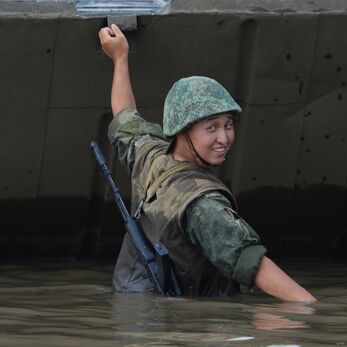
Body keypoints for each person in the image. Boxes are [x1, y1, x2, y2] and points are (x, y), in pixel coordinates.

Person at [98, 24, 316, 302]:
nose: (224, 138)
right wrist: (313, 310)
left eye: (228, 125)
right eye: (211, 128)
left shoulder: (149, 156)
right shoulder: (202, 205)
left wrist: (120, 59)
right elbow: (252, 265)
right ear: (182, 132)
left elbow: (126, 116)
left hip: (132, 306)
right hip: (174, 322)